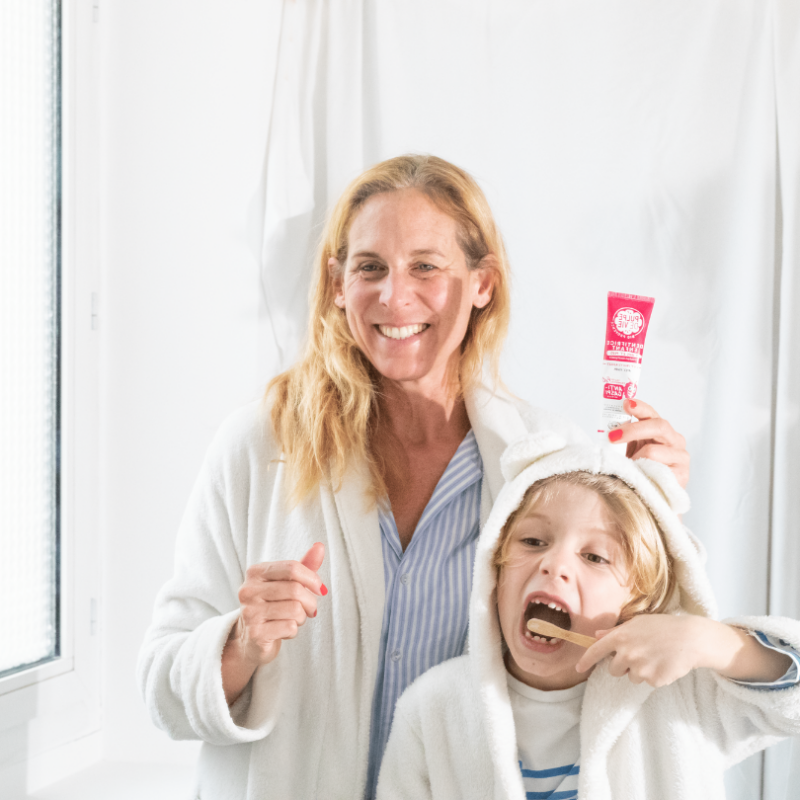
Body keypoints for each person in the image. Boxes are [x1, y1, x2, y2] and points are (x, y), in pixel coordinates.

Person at [137, 155, 692, 800]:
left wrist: (658, 515)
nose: (394, 296)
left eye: (425, 266)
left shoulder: (548, 464)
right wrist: (241, 643)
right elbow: (161, 688)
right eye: (370, 267)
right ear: (337, 282)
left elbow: (628, 666)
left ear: (482, 282)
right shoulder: (260, 448)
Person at [376, 433, 800, 800]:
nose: (554, 564)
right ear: (496, 569)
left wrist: (713, 641)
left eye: (595, 556)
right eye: (533, 541)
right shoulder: (431, 710)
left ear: (638, 602)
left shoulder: (682, 696)